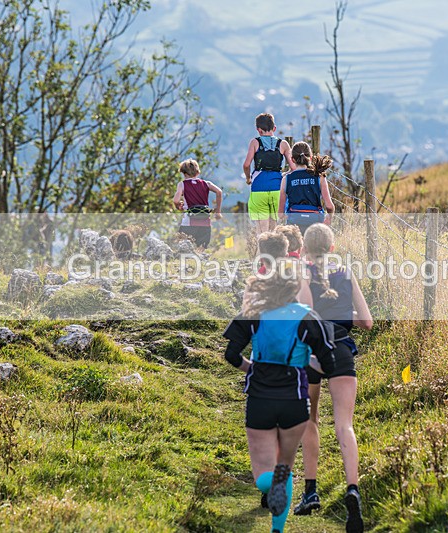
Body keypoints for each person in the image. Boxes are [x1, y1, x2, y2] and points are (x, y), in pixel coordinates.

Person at [222, 259, 336, 533]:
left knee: (263, 475)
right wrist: (304, 360)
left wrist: (251, 368)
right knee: (285, 464)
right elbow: (329, 364)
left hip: (259, 399)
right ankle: (277, 529)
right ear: (295, 286)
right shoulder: (308, 317)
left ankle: (270, 482)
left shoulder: (253, 313)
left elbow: (230, 355)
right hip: (295, 401)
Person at [294, 224, 373, 533]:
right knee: (345, 425)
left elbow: (307, 317)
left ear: (304, 248)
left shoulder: (302, 274)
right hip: (341, 350)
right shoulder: (347, 273)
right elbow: (366, 321)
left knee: (309, 420)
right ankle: (353, 489)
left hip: (312, 353)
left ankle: (310, 492)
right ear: (332, 247)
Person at [242, 113, 295, 237]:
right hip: (277, 187)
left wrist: (248, 178)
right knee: (274, 226)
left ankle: (262, 249)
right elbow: (293, 167)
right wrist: (283, 175)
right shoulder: (283, 144)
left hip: (258, 187)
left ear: (258, 130)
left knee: (262, 229)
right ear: (274, 128)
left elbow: (246, 165)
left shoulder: (255, 142)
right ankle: (274, 248)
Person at [278, 142, 335, 235]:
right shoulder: (319, 177)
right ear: (311, 158)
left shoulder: (286, 179)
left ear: (292, 159)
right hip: (315, 223)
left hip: (294, 225)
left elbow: (280, 214)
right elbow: (329, 206)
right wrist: (330, 216)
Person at [173, 159, 222, 248]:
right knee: (200, 248)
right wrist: (218, 211)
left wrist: (178, 205)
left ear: (184, 173)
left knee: (183, 244)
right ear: (198, 172)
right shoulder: (206, 183)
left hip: (189, 220)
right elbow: (219, 192)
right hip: (205, 221)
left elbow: (176, 200)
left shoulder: (182, 184)